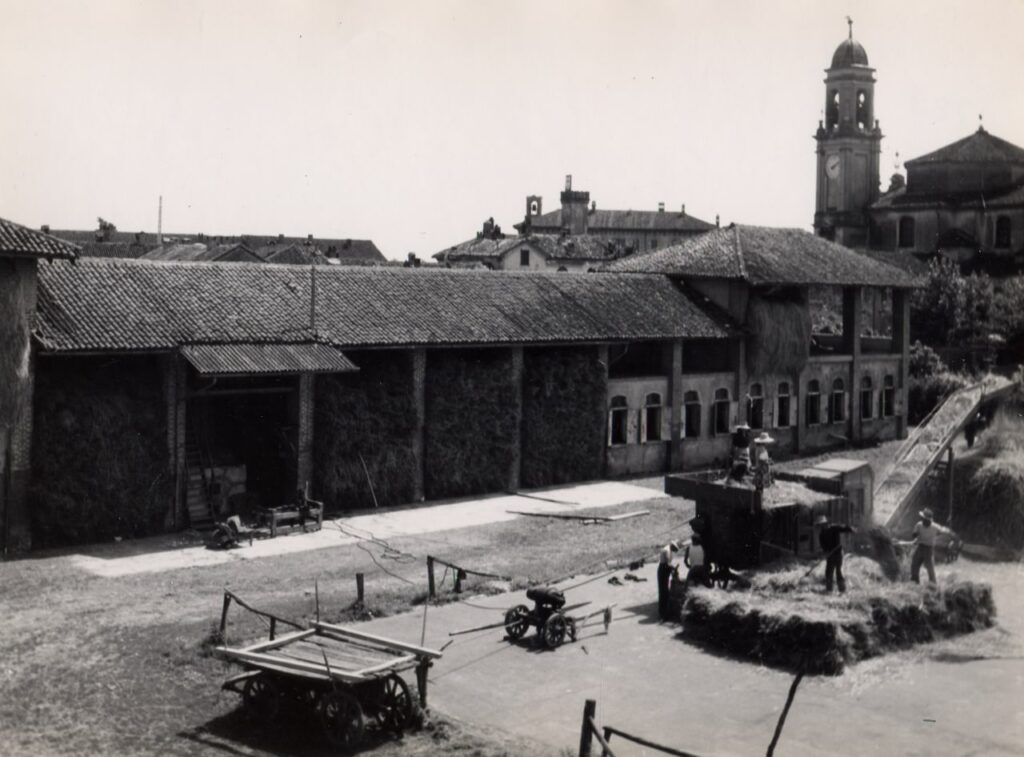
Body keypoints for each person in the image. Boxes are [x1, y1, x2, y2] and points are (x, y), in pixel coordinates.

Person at [910, 508, 954, 584]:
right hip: (920, 547)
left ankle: (932, 584)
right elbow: (914, 534)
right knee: (914, 564)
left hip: (928, 549)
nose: (923, 520)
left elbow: (944, 531)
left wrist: (950, 534)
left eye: (925, 519)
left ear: (929, 520)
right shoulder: (919, 525)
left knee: (930, 569)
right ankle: (915, 581)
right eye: (923, 518)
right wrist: (916, 537)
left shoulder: (935, 527)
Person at [816, 514, 855, 593]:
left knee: (838, 571)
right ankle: (829, 590)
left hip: (838, 552)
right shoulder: (821, 535)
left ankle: (842, 590)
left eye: (823, 524)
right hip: (830, 554)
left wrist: (852, 529)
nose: (822, 526)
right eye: (820, 525)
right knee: (828, 572)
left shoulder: (834, 528)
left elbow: (844, 528)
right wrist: (826, 552)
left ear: (826, 523)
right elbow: (823, 546)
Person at [657, 540, 680, 621]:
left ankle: (664, 611)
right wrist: (673, 568)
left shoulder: (669, 550)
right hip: (663, 569)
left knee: (665, 590)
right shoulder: (667, 550)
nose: (674, 551)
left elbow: (669, 563)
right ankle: (662, 612)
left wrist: (672, 568)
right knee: (663, 591)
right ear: (672, 546)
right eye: (675, 549)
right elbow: (667, 563)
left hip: (665, 569)